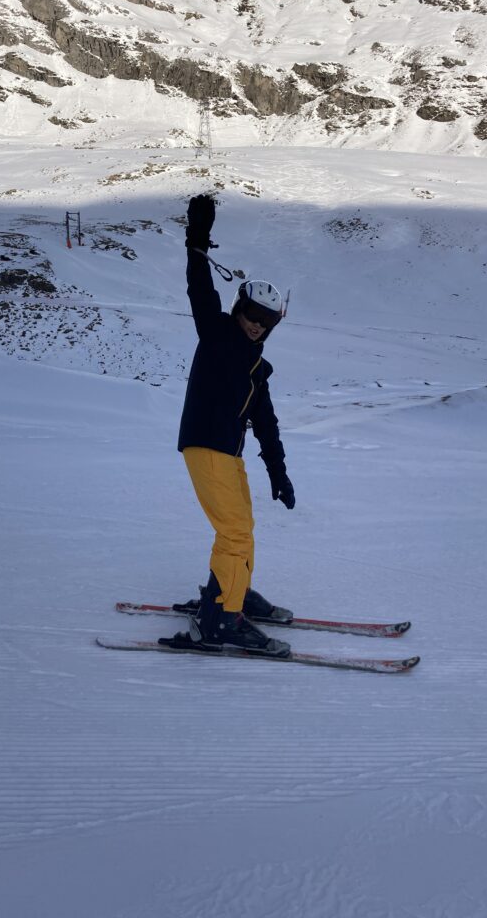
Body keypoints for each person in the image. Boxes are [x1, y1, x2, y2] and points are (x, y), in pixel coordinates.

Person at [171, 194, 296, 658]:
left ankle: (232, 593)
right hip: (206, 445)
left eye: (266, 322)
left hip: (229, 452)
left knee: (243, 527)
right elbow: (199, 289)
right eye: (251, 316)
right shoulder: (217, 333)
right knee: (235, 531)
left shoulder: (256, 369)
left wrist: (279, 474)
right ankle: (221, 618)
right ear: (238, 309)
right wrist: (197, 241)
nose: (256, 326)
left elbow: (267, 426)